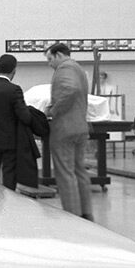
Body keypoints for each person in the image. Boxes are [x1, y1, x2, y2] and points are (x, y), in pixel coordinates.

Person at [0, 54, 39, 189]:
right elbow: (25, 116)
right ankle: (8, 202)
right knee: (9, 172)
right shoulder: (14, 90)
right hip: (10, 140)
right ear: (14, 70)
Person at [44, 43, 93, 219]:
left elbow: (71, 89)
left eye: (50, 59)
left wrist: (53, 110)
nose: (49, 64)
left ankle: (72, 216)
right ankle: (86, 213)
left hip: (64, 129)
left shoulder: (65, 68)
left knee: (65, 173)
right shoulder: (78, 69)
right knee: (79, 170)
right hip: (80, 127)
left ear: (58, 55)